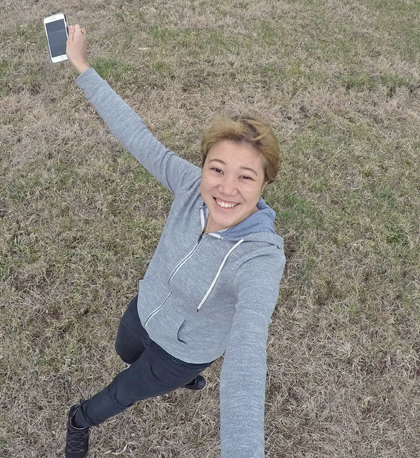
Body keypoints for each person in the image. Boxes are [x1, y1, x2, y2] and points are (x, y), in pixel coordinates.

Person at [62, 24, 285, 458]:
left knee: (122, 391)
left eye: (246, 176)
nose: (226, 188)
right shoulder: (188, 186)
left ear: (265, 184)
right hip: (144, 310)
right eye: (217, 169)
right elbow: (137, 136)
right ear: (202, 166)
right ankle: (183, 381)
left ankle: (80, 420)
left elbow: (247, 351)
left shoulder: (260, 257)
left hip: (183, 353)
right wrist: (82, 67)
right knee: (125, 351)